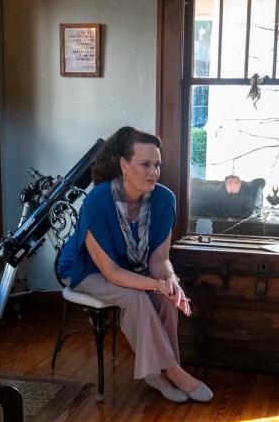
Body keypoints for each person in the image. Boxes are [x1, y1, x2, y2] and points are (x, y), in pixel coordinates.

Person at [58, 127, 213, 403]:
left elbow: (159, 260)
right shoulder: (98, 201)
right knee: (137, 296)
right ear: (123, 165)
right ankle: (168, 371)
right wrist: (155, 284)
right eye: (145, 164)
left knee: (166, 297)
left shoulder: (164, 200)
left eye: (157, 164)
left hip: (132, 269)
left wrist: (170, 282)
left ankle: (163, 371)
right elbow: (110, 271)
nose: (153, 171)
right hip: (84, 269)